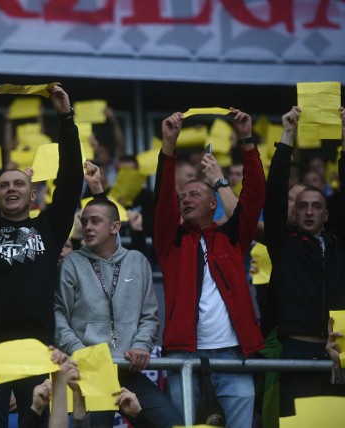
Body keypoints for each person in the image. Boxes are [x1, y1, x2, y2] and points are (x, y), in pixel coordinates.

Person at [0, 83, 83, 426]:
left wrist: (65, 119)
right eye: (4, 185)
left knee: (38, 419)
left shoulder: (50, 227)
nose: (11, 188)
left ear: (33, 197)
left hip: (38, 341)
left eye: (19, 184)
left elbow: (71, 181)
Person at [154, 109, 265, 426]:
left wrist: (246, 140)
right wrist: (169, 146)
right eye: (183, 196)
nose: (185, 200)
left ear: (214, 201)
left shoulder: (232, 237)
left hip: (233, 355)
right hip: (183, 357)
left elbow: (254, 195)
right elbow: (163, 199)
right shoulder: (170, 241)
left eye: (195, 194)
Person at [55, 198, 182, 428]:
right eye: (84, 222)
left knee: (172, 424)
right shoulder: (72, 262)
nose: (87, 227)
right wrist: (80, 352)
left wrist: (142, 345)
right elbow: (59, 315)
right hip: (91, 371)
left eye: (95, 221)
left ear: (115, 227)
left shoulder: (137, 261)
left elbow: (149, 315)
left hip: (127, 369)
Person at [264, 106, 345, 416]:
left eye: (316, 206)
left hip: (339, 348)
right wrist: (287, 137)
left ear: (326, 214)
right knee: (297, 422)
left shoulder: (340, 243)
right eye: (302, 207)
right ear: (293, 213)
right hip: (297, 349)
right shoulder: (284, 244)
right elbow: (273, 195)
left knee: (335, 421)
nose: (309, 211)